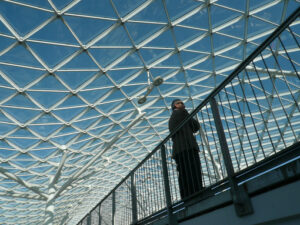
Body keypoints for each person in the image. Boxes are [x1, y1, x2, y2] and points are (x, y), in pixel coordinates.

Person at [168, 99, 203, 199]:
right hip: (185, 148)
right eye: (179, 103)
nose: (182, 104)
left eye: (182, 103)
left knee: (188, 171)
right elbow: (195, 126)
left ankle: (190, 192)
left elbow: (196, 127)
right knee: (190, 170)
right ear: (174, 106)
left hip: (184, 148)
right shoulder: (178, 114)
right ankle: (194, 191)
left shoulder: (181, 116)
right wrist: (185, 111)